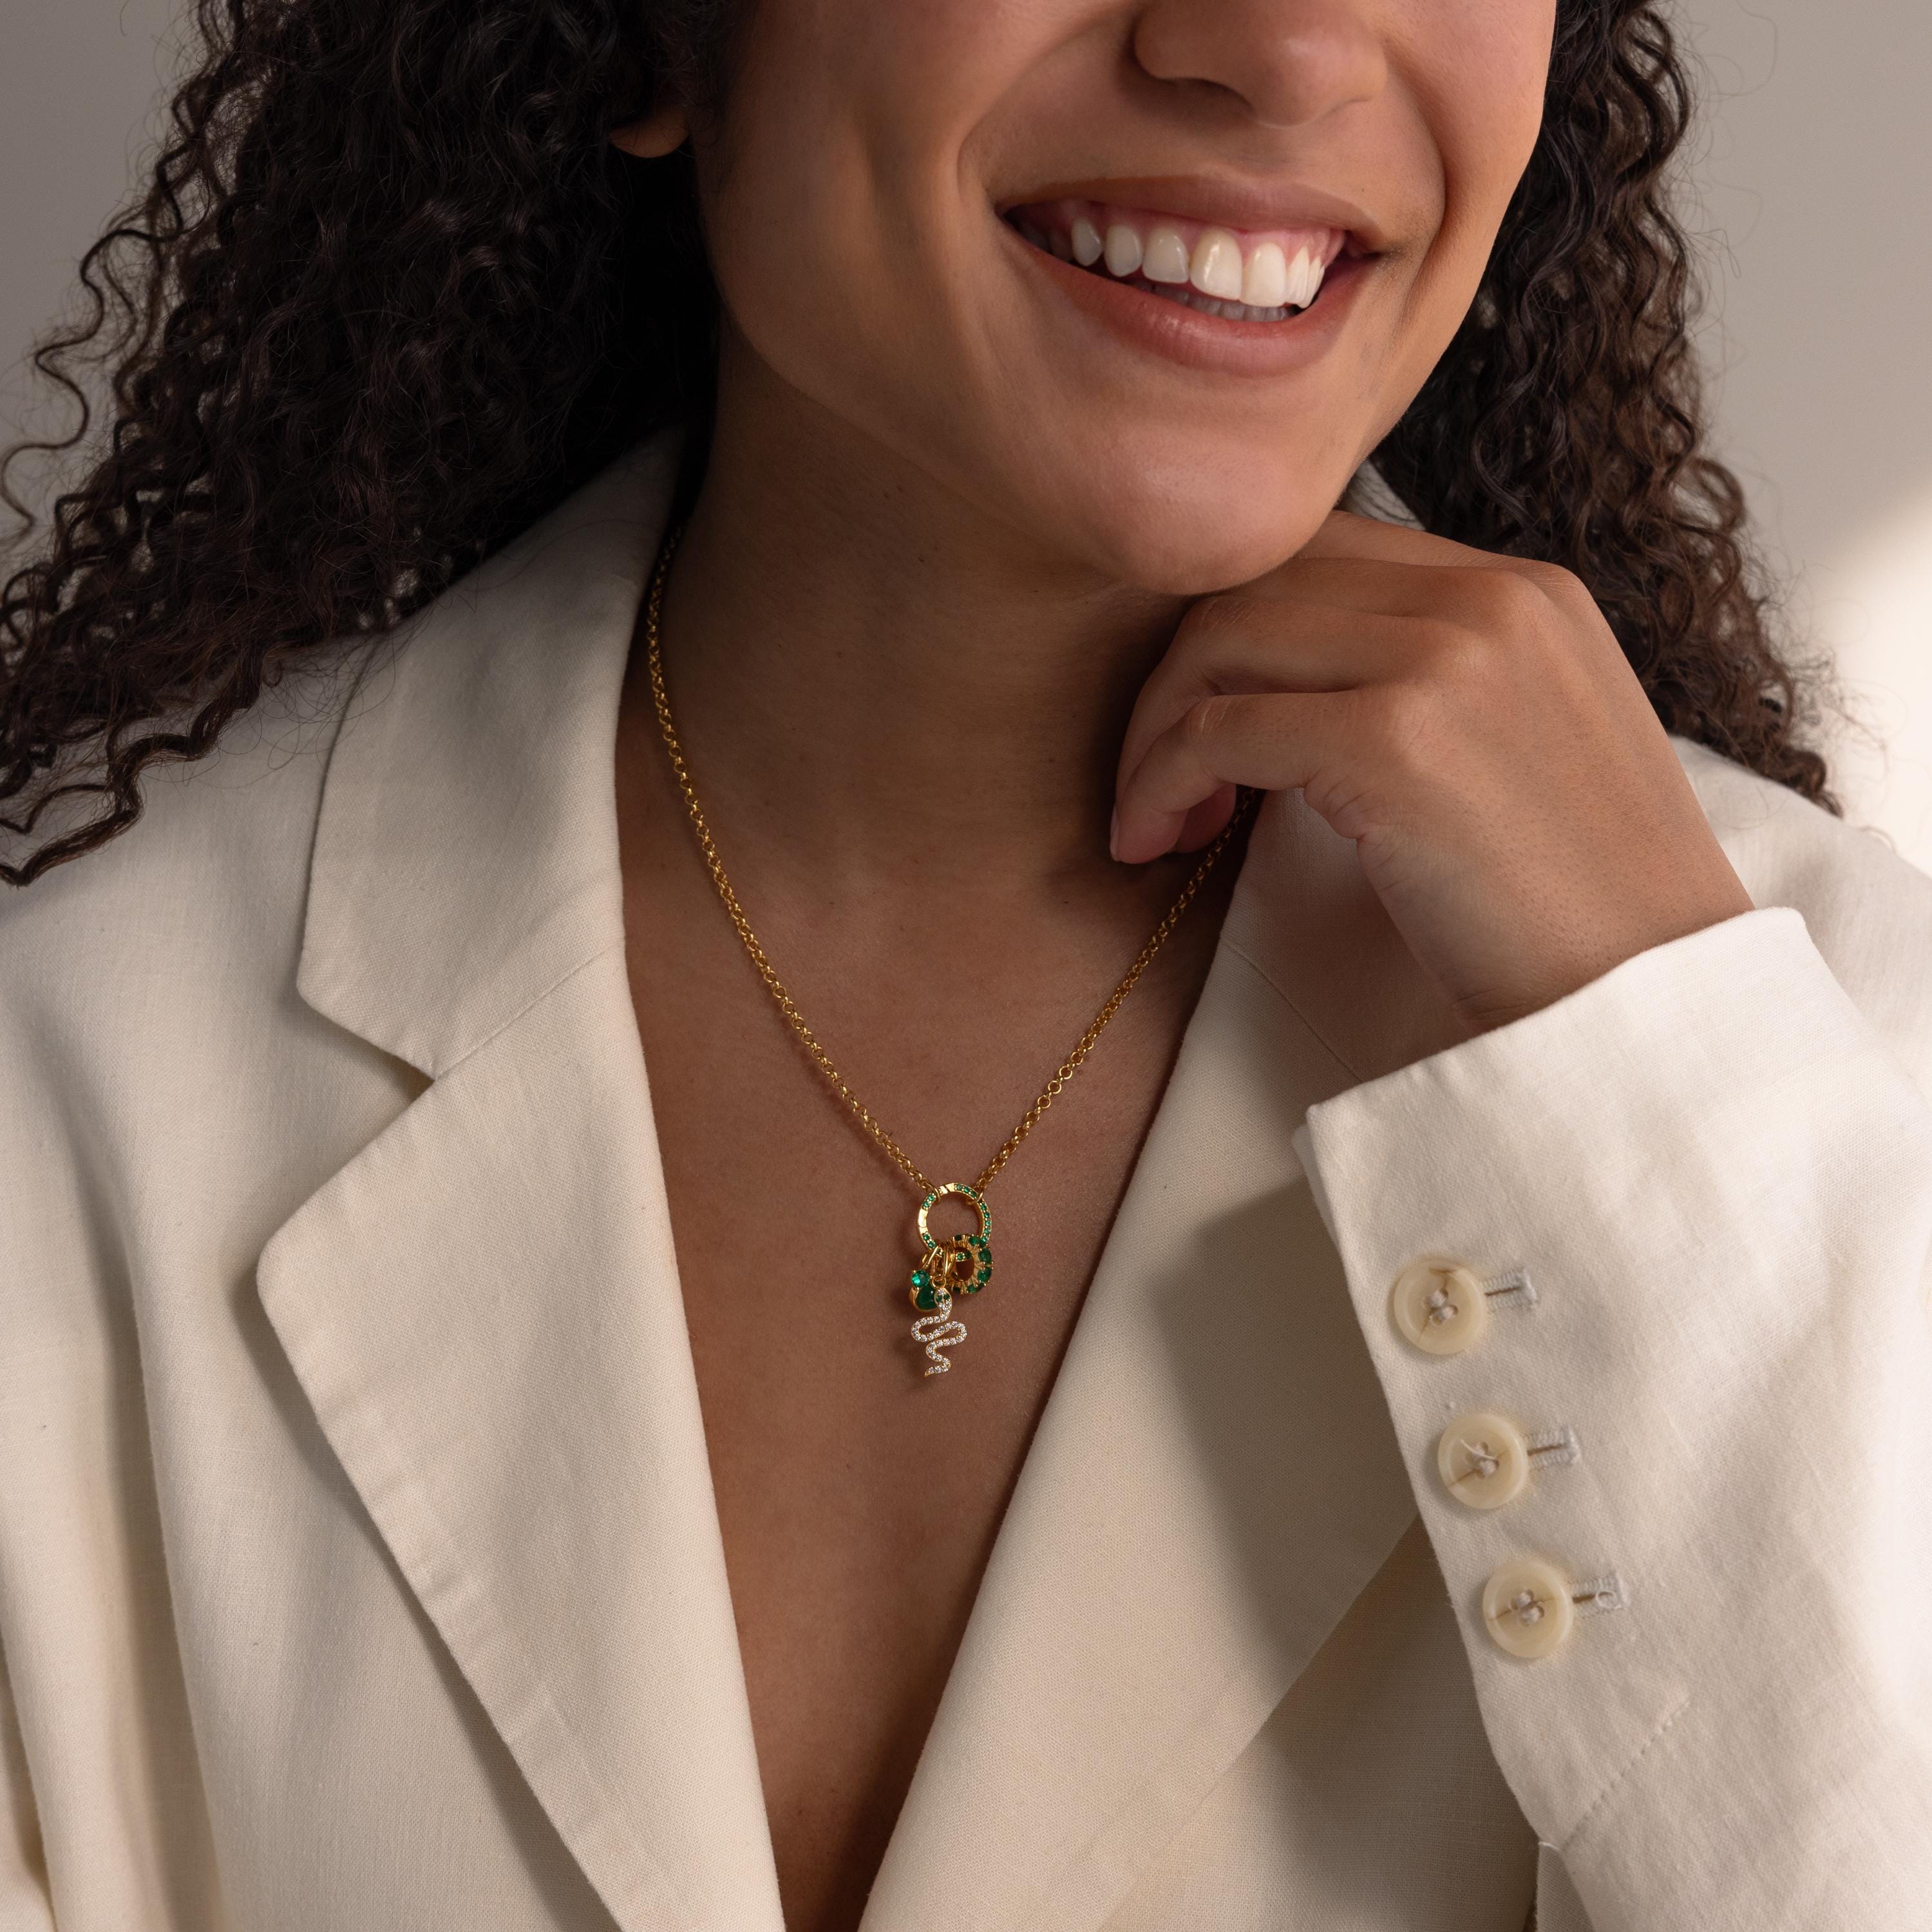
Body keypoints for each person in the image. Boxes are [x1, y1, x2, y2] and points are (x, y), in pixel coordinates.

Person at [2, 1, 1929, 1927]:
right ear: (653, 40)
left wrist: (1656, 1092)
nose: (1277, 48)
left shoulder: (1828, 1035)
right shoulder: (67, 1077)